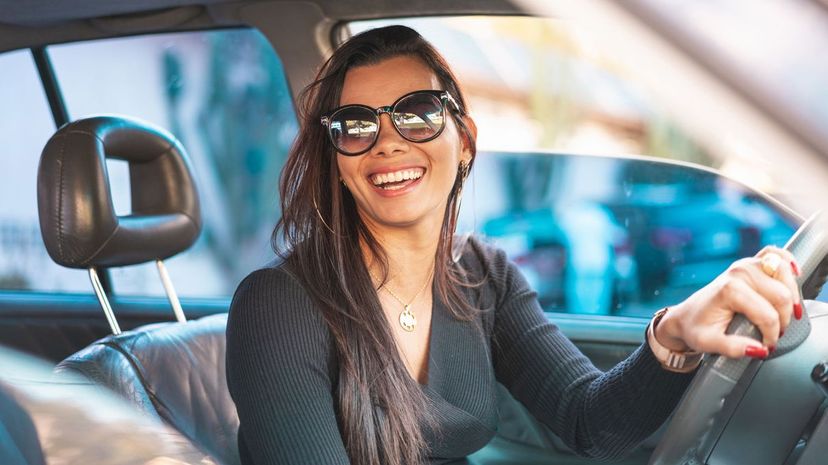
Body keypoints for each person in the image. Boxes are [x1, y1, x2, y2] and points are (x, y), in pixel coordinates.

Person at [225, 25, 801, 465]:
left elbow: (588, 421)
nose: (387, 143)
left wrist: (675, 332)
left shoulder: (482, 274)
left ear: (465, 140)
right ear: (337, 160)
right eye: (354, 126)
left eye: (418, 114)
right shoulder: (277, 304)